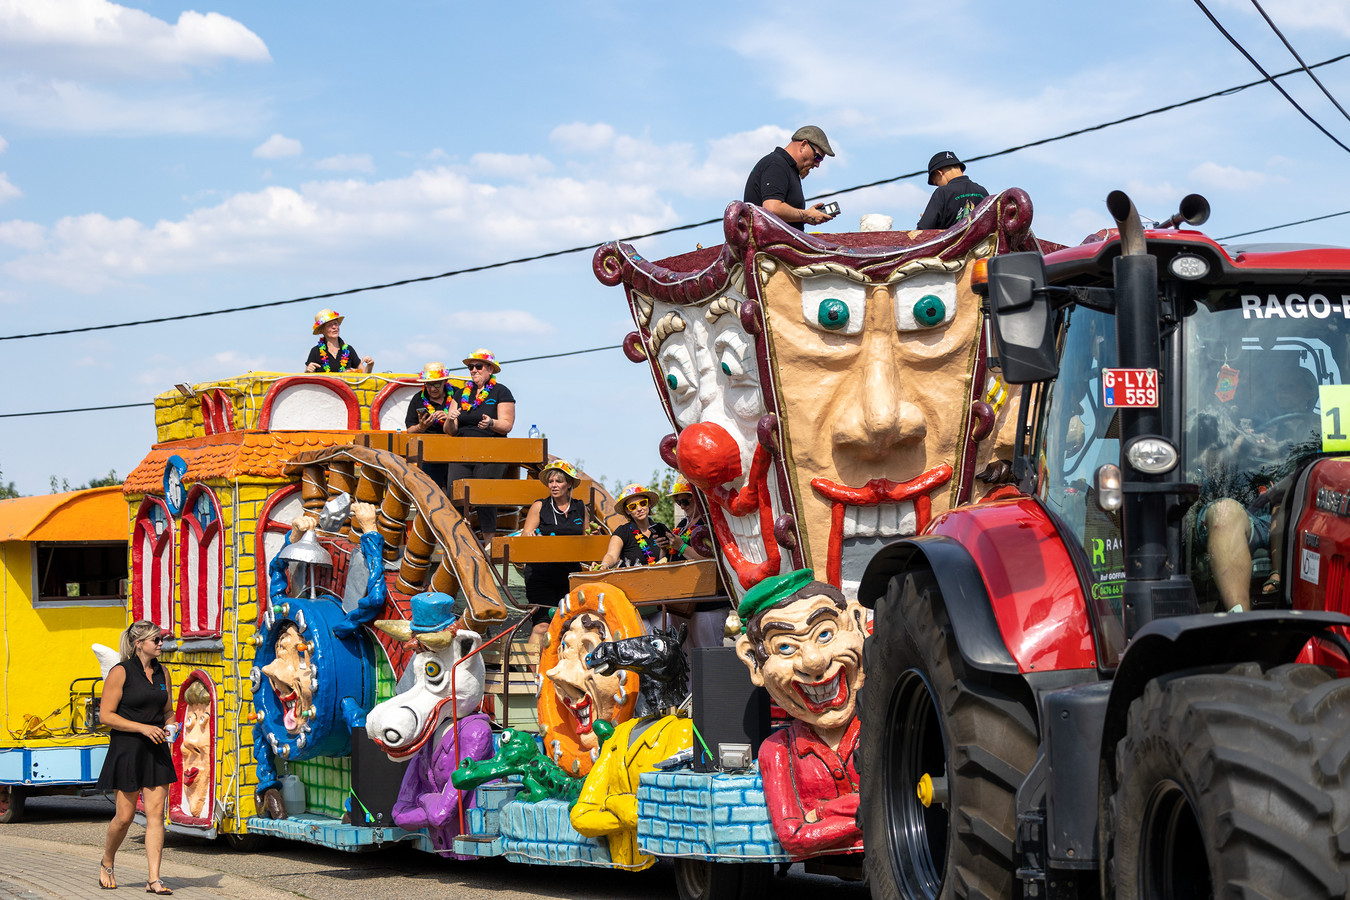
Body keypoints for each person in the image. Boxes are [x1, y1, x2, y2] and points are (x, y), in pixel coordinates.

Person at [733, 569, 866, 856]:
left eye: (825, 634)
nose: (814, 661)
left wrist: (826, 812)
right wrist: (870, 812)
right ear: (754, 663)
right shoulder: (778, 750)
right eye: (785, 646)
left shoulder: (885, 726)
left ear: (857, 624)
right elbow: (793, 837)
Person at [1197, 364, 1320, 611]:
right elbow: (1206, 465)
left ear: (1311, 394)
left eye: (1290, 387)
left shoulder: (1326, 430)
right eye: (1279, 388)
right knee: (1225, 513)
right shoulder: (1244, 424)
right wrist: (1240, 446)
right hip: (1248, 512)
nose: (1282, 393)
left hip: (1301, 513)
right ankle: (1238, 621)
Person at [96, 620, 177, 894]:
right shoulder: (121, 672)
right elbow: (105, 716)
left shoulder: (162, 672)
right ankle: (107, 861)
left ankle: (154, 878)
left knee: (156, 815)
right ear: (138, 643)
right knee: (125, 817)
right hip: (128, 748)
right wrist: (142, 727)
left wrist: (172, 724)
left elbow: (168, 710)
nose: (161, 644)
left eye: (161, 639)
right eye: (156, 640)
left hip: (156, 749)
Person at [445, 349, 516, 541]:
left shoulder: (501, 391)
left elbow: (507, 424)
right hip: (462, 450)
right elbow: (450, 430)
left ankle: (489, 544)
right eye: (470, 367)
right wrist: (450, 420)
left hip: (491, 449)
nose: (473, 370)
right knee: (456, 493)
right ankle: (462, 540)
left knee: (485, 496)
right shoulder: (461, 394)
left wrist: (491, 423)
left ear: (490, 369)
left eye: (478, 366)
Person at [521, 460, 591, 643]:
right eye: (551, 481)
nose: (553, 485)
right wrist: (530, 537)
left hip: (569, 575)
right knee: (543, 625)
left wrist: (593, 537)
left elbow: (586, 539)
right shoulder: (540, 506)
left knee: (569, 626)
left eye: (558, 481)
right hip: (541, 574)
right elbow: (525, 535)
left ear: (569, 484)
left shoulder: (580, 508)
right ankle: (534, 671)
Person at [744, 126, 839, 231]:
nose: (817, 164)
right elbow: (772, 208)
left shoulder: (788, 169)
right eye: (818, 157)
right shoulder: (776, 164)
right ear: (803, 145)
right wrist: (807, 215)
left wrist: (808, 215)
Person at [405, 362, 454, 489]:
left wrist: (449, 418)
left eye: (436, 384)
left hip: (454, 451)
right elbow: (410, 429)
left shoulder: (457, 395)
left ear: (445, 382)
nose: (432, 389)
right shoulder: (418, 399)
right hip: (429, 452)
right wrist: (421, 427)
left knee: (454, 490)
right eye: (428, 384)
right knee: (429, 490)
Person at [599, 484, 673, 569]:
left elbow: (671, 556)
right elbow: (612, 555)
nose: (639, 509)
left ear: (648, 504)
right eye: (632, 506)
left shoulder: (660, 529)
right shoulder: (622, 531)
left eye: (642, 503)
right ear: (627, 511)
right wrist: (604, 565)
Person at [916, 151, 989, 230]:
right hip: (980, 241)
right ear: (961, 170)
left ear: (939, 173)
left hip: (955, 242)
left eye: (936, 183)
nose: (938, 186)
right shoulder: (982, 192)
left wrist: (927, 220)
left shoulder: (942, 192)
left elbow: (921, 232)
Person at [305, 308, 374, 373]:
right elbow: (306, 379)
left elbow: (364, 374)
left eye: (335, 323)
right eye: (329, 325)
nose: (334, 327)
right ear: (322, 331)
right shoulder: (315, 351)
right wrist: (307, 371)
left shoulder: (348, 349)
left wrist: (370, 365)